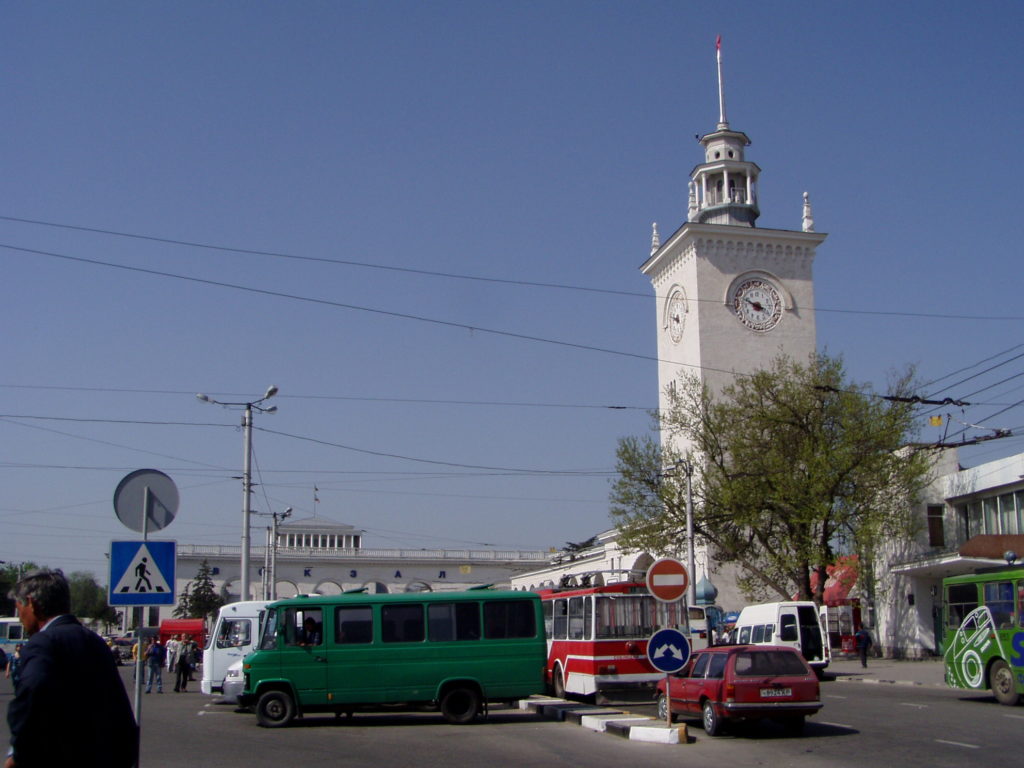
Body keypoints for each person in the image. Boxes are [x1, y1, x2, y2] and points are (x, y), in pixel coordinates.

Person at [5, 568, 137, 768]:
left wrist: (17, 753)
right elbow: (117, 707)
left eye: (19, 607)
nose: (21, 618)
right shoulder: (94, 641)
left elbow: (32, 695)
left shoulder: (43, 643)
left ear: (31, 604)